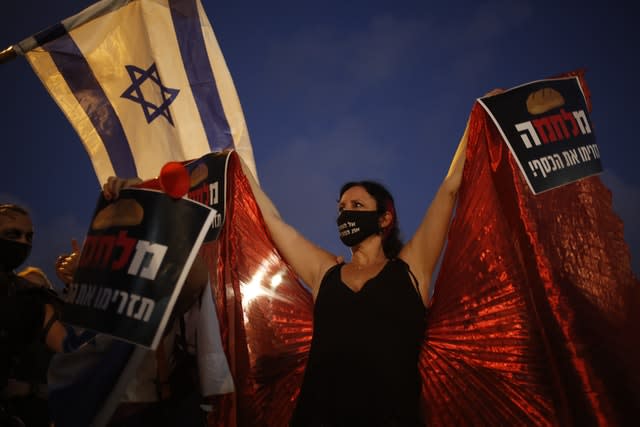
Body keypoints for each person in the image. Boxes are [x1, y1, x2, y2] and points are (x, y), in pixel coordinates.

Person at [0, 204, 67, 426]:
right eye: (12, 234)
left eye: (29, 237)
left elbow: (73, 352)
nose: (23, 243)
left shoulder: (31, 297)